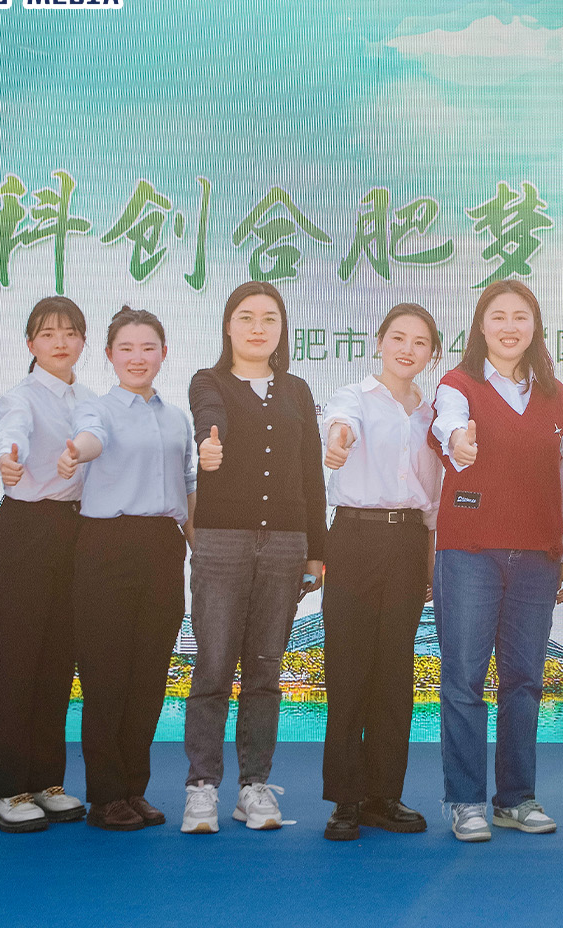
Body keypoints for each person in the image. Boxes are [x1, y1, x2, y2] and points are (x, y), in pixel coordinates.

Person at [429, 280, 563, 842]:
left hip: (537, 556)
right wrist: (458, 441)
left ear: (535, 326)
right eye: (498, 316)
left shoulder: (556, 396)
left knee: (524, 680)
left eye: (521, 316)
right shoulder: (459, 384)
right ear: (481, 326)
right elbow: (447, 422)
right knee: (464, 679)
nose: (510, 326)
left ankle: (515, 799)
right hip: (469, 552)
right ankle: (466, 800)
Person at [178, 282, 328, 835]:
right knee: (214, 666)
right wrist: (209, 443)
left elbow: (311, 473)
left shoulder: (296, 390)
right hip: (221, 542)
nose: (257, 328)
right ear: (228, 326)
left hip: (286, 544)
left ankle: (254, 786)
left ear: (282, 329)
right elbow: (209, 414)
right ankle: (201, 787)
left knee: (265, 671)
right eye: (246, 317)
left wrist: (317, 551)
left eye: (269, 318)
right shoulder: (209, 381)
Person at [57, 306, 193, 832]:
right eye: (127, 348)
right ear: (110, 355)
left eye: (148, 347)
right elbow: (91, 438)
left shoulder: (176, 417)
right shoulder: (96, 409)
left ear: (164, 353)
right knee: (106, 675)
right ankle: (106, 796)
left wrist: (199, 548)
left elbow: (188, 487)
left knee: (149, 675)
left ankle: (135, 788)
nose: (138, 358)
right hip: (107, 545)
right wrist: (77, 452)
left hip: (164, 546)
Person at [319, 303, 444, 841]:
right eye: (398, 337)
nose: (407, 349)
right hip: (355, 536)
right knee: (348, 668)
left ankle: (383, 795)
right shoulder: (354, 396)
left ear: (432, 354)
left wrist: (431, 559)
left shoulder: (434, 412)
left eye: (420, 342)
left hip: (410, 540)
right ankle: (345, 800)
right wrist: (338, 440)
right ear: (378, 342)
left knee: (395, 672)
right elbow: (340, 425)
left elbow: (434, 495)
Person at [0, 296, 93, 833]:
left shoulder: (91, 401)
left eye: (70, 333)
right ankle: (6, 789)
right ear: (31, 344)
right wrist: (9, 458)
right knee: (18, 657)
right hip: (26, 529)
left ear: (84, 341)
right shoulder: (20, 397)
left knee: (58, 659)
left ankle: (47, 780)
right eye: (48, 334)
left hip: (77, 530)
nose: (60, 342)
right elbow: (12, 433)